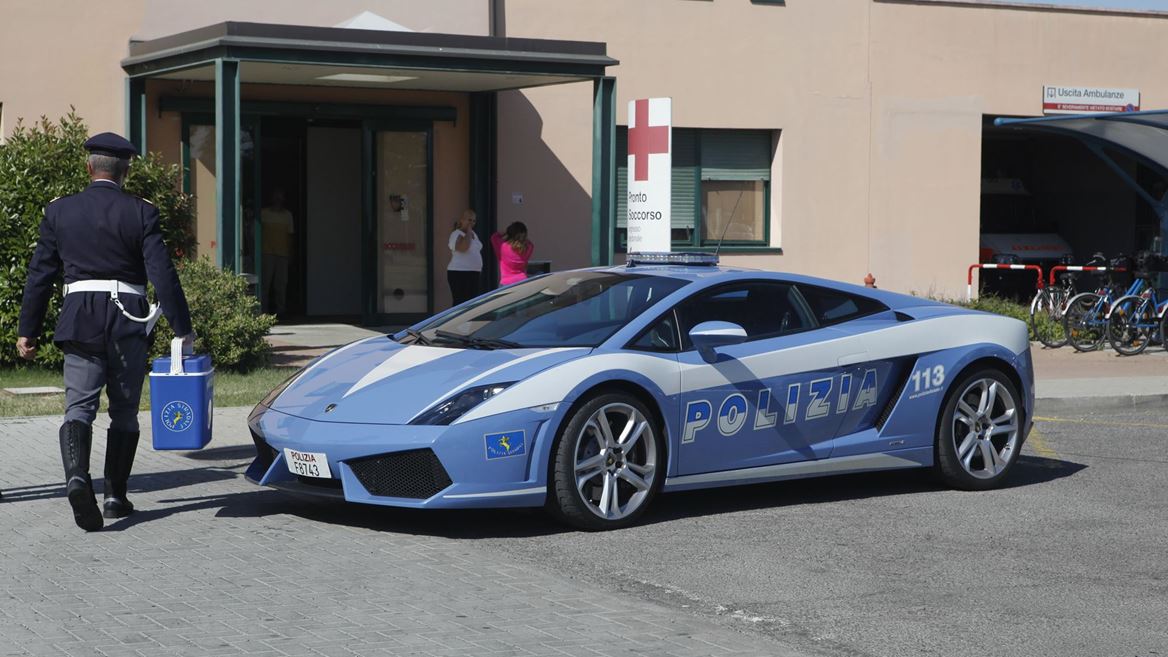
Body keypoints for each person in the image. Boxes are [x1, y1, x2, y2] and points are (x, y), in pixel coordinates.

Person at [16, 132, 195, 532]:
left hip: (80, 317)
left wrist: (28, 329)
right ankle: (115, 495)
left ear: (88, 168)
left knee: (78, 408)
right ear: (125, 171)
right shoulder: (141, 212)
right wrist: (181, 329)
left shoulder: (59, 211)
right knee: (125, 411)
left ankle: (78, 478)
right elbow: (162, 274)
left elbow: (40, 275)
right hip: (128, 320)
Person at [260, 187, 294, 315]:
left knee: (281, 285)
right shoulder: (263, 213)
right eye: (276, 195)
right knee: (265, 284)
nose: (278, 199)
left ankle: (281, 310)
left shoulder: (288, 215)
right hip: (267, 252)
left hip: (283, 254)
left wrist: (290, 254)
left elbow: (290, 236)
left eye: (280, 196)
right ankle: (263, 311)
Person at [447, 209, 483, 305]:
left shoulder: (473, 234)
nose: (471, 223)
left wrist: (470, 232)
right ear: (462, 220)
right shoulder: (456, 234)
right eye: (469, 220)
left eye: (474, 221)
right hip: (459, 272)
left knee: (472, 303)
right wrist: (468, 231)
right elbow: (463, 248)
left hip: (473, 272)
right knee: (460, 302)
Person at [491, 221, 534, 286]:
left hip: (506, 283)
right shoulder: (528, 248)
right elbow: (530, 243)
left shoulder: (502, 246)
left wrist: (506, 232)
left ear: (510, 233)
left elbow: (494, 237)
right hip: (523, 281)